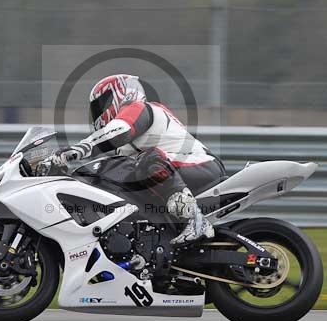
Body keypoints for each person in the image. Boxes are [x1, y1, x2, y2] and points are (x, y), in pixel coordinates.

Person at [49, 74, 225, 245]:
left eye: (102, 104)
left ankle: (194, 219)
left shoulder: (141, 108)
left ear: (121, 93)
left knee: (149, 158)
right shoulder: (126, 145)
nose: (99, 112)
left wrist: (77, 150)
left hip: (202, 165)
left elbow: (120, 130)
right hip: (176, 171)